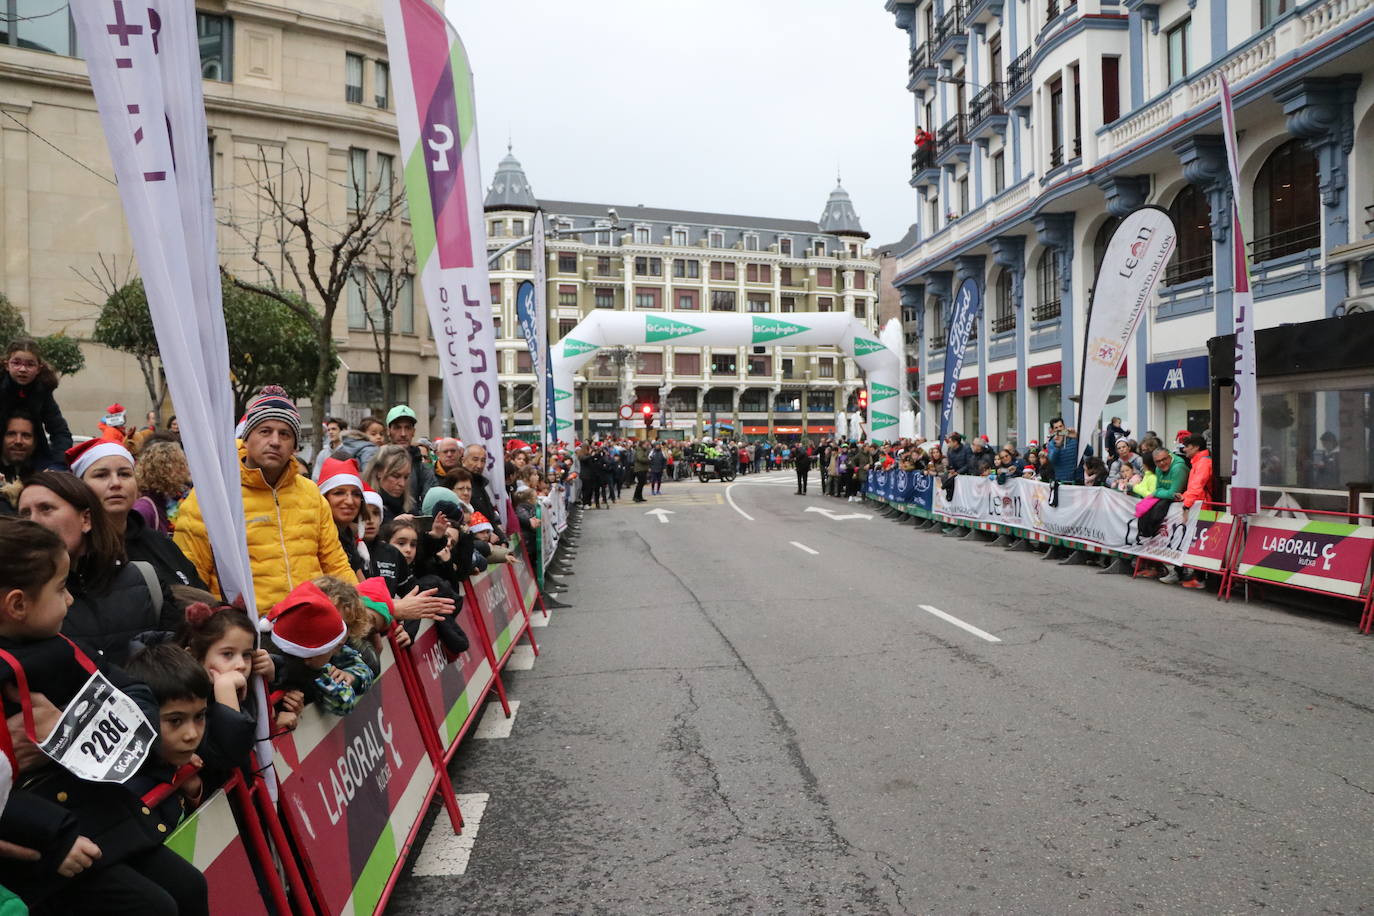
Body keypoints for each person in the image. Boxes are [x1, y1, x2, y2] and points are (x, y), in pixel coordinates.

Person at [0, 519, 211, 916]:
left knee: (189, 888)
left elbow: (135, 693)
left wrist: (66, 732)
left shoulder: (59, 645)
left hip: (98, 818)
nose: (70, 601)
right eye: (61, 589)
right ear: (17, 604)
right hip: (40, 842)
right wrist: (52, 837)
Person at [175, 385, 356, 616]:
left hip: (311, 624)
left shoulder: (311, 493)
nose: (275, 441)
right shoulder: (211, 496)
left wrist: (360, 613)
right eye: (265, 431)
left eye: (285, 434)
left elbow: (336, 565)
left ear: (294, 445)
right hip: (244, 632)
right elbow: (191, 579)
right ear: (247, 437)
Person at [18, 470, 175, 666]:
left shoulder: (145, 581)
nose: (33, 522)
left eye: (46, 508)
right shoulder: (21, 601)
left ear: (86, 520)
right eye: (25, 513)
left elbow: (176, 671)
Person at [66, 439, 206, 592]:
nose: (115, 483)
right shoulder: (72, 554)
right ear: (80, 486)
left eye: (124, 474)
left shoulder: (160, 543)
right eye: (101, 475)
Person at [262, 579, 374, 715]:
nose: (339, 631)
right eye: (331, 623)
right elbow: (343, 701)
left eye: (345, 625)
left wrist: (352, 677)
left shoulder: (339, 648)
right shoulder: (306, 656)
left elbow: (367, 670)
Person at [0, 337, 72, 470]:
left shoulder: (43, 392)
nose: (22, 369)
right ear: (6, 365)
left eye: (29, 365)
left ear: (39, 368)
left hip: (36, 457)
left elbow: (60, 432)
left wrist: (58, 465)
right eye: (16, 363)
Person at [132, 439, 192, 534]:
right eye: (180, 465)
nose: (186, 470)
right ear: (165, 470)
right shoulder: (144, 509)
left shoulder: (168, 500)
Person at [384, 406, 437, 505]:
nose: (403, 434)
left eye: (407, 428)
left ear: (413, 431)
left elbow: (429, 504)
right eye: (397, 427)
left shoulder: (423, 469)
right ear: (388, 431)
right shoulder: (377, 463)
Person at [460, 444, 506, 541]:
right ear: (463, 460)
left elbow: (490, 516)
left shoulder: (481, 484)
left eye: (483, 461)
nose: (479, 465)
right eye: (475, 459)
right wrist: (487, 534)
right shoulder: (458, 482)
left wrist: (502, 539)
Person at [362, 444, 415, 522]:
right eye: (396, 476)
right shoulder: (364, 505)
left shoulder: (410, 506)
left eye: (406, 477)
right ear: (379, 472)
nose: (402, 483)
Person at [1, 412, 40, 513]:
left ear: (35, 443)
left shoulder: (42, 476)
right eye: (11, 434)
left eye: (26, 435)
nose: (18, 441)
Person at [310, 417, 346, 481]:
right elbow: (316, 477)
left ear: (343, 431)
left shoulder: (350, 451)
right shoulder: (322, 454)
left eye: (334, 429)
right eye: (329, 430)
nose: (330, 432)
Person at [1046, 417, 1079, 483]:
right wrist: (1058, 445)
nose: (1059, 429)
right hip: (1062, 480)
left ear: (1064, 427)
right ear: (1053, 430)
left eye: (1061, 426)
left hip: (1078, 478)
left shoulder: (1074, 439)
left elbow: (1089, 452)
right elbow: (1052, 460)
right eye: (1056, 428)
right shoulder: (1051, 444)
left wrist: (1078, 438)